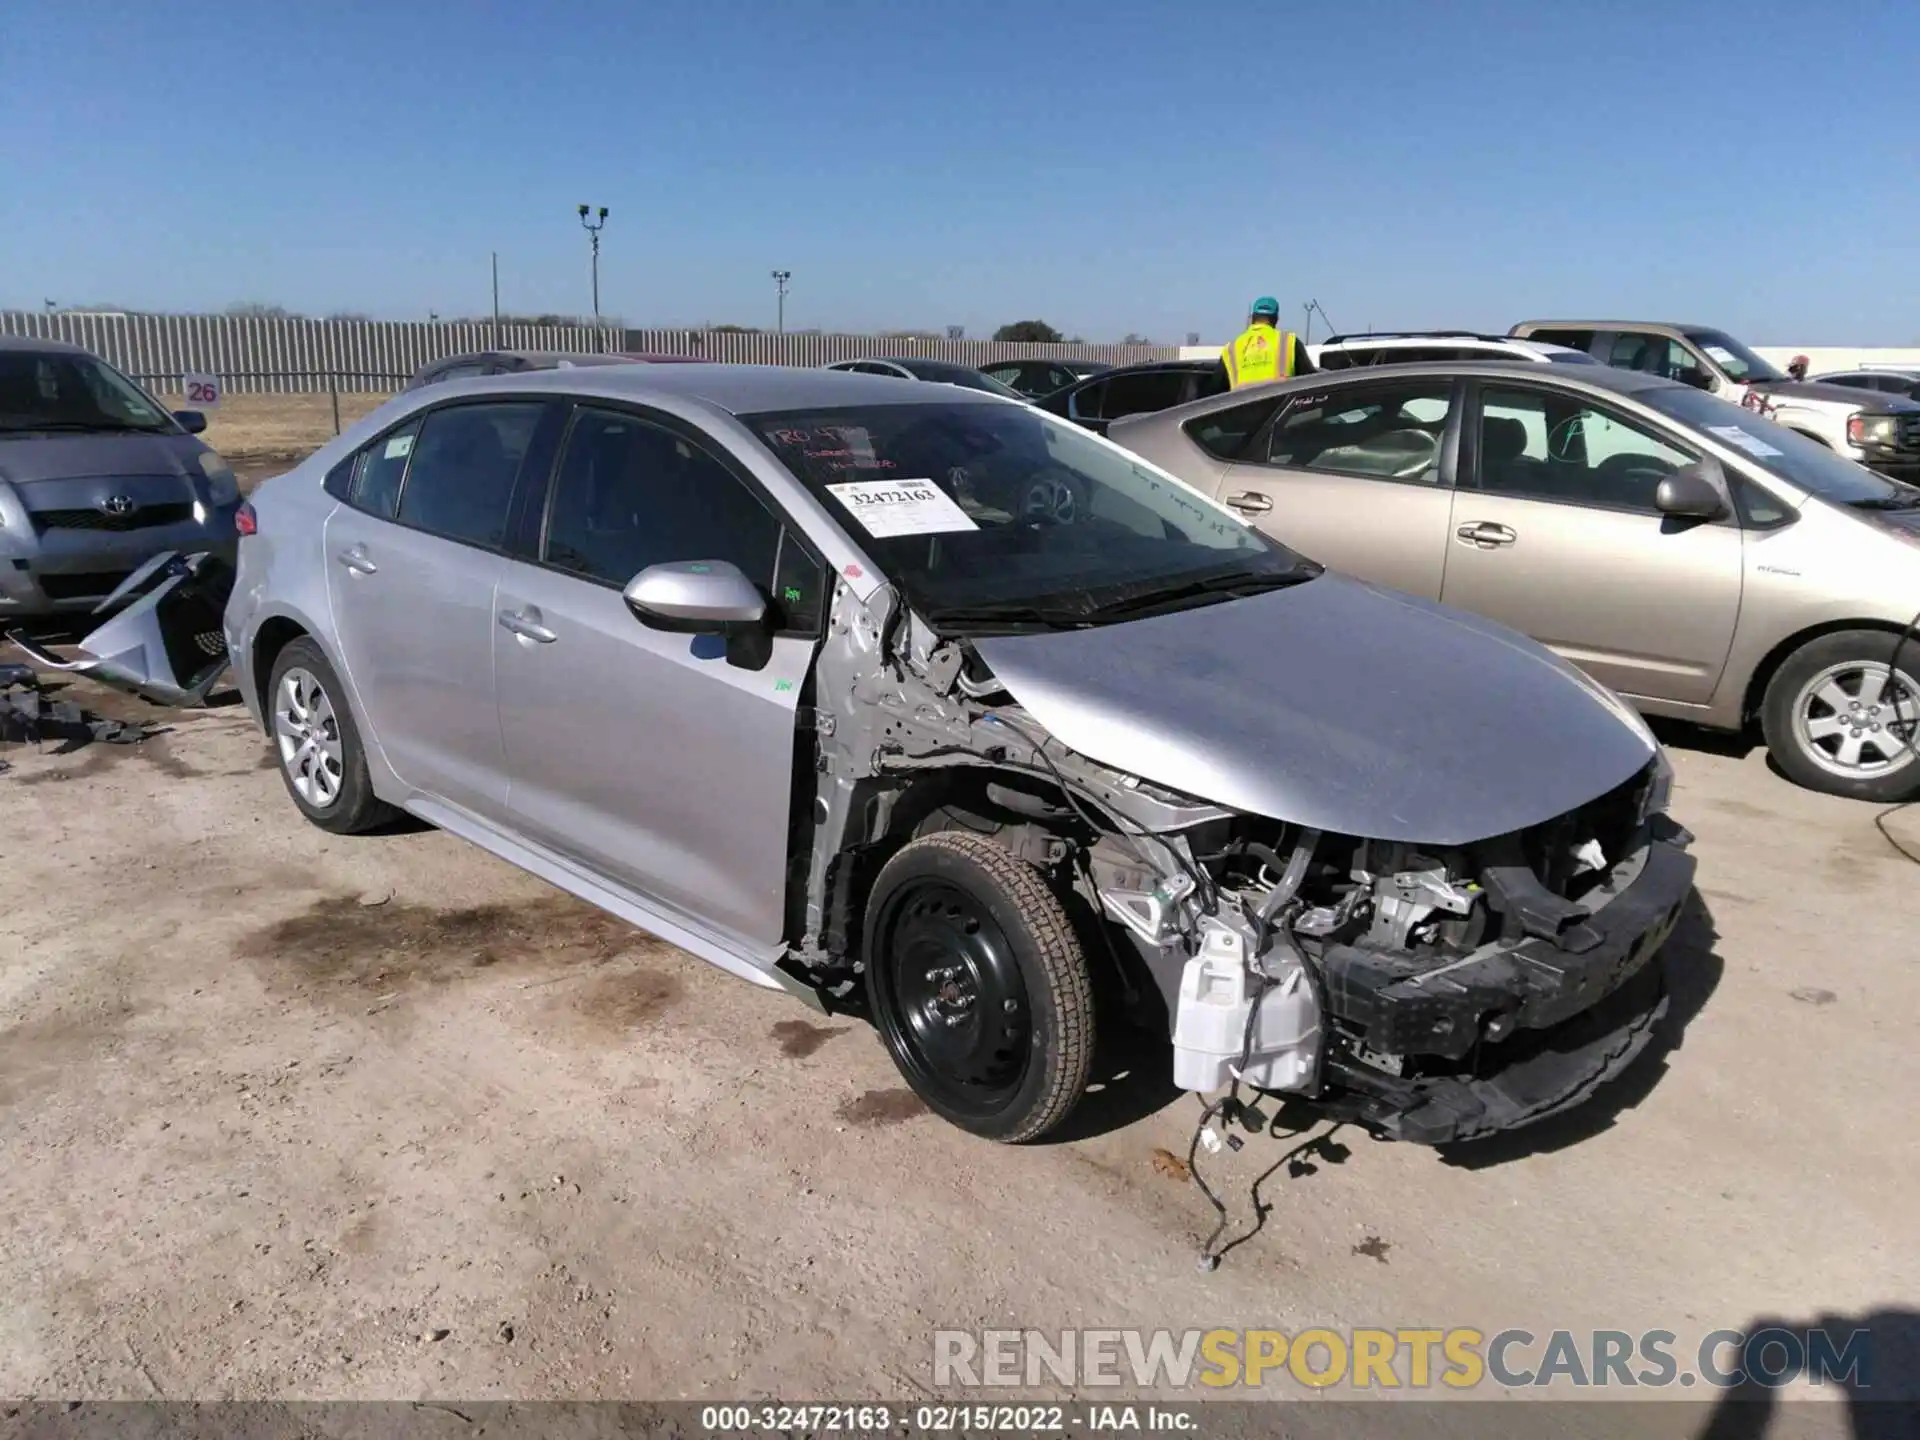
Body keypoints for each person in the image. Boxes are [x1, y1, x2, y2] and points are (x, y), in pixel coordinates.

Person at [1220, 297, 1313, 390]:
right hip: (1279, 403)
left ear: (1252, 318)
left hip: (1240, 403)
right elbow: (1311, 381)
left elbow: (1214, 392)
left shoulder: (1230, 349)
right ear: (1276, 319)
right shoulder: (1289, 341)